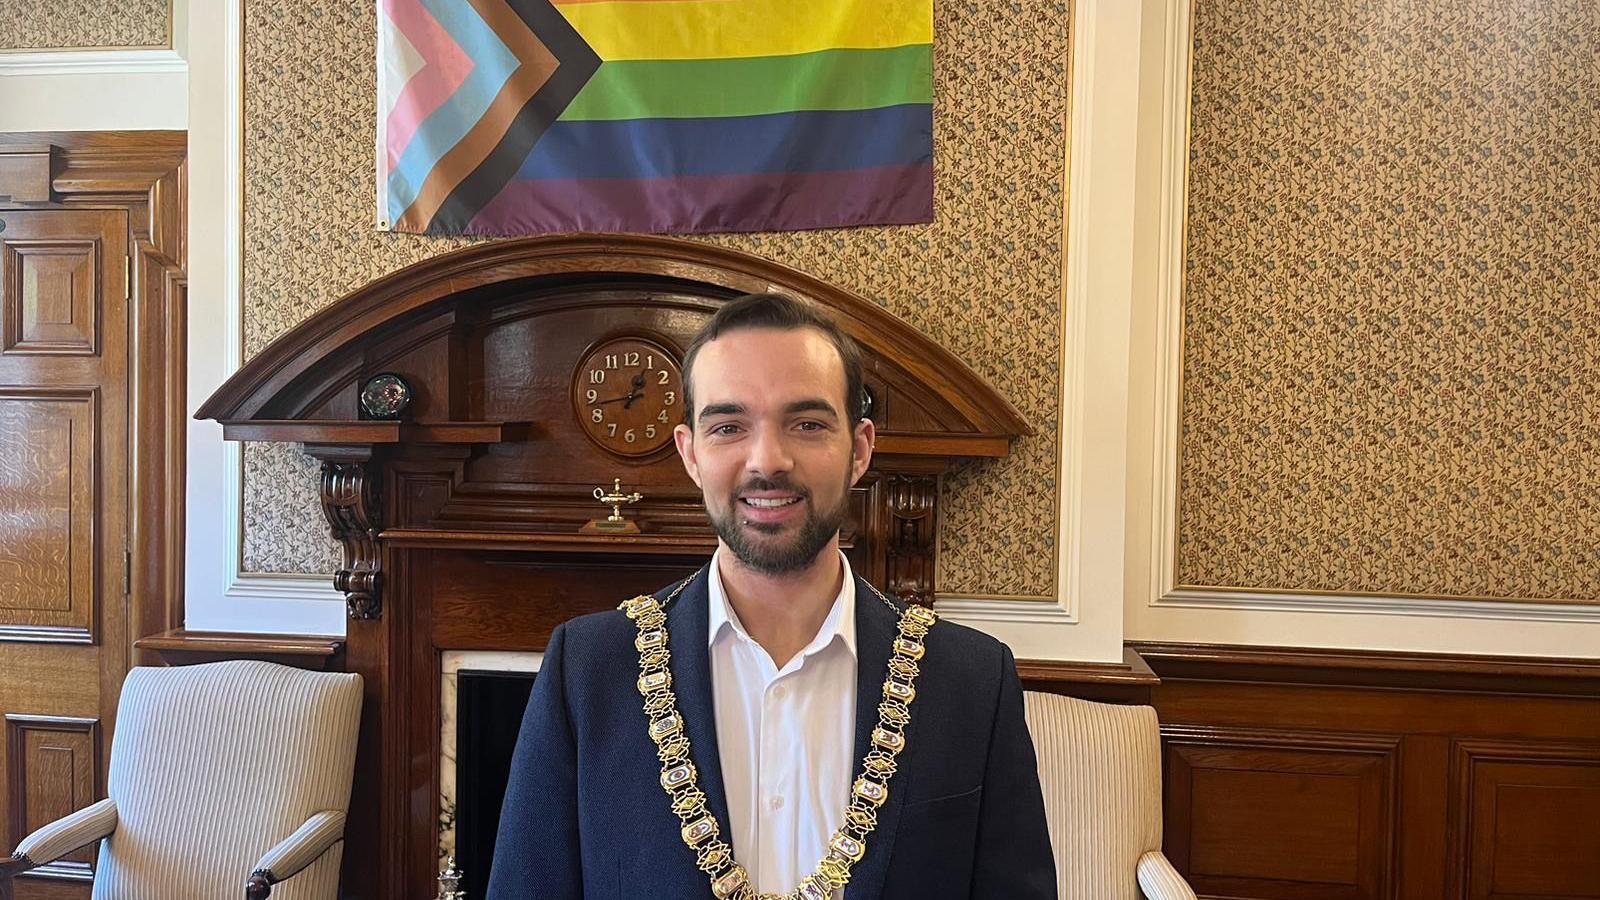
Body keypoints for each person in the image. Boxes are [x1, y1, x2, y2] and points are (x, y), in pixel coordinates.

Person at [487, 294, 1056, 899]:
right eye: (729, 427)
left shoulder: (970, 680)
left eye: (807, 424)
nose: (768, 461)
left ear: (860, 449)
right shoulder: (588, 670)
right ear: (690, 453)